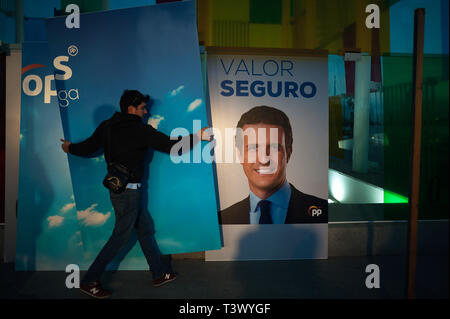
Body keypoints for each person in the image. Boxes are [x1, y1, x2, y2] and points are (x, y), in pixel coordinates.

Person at [61, 89, 210, 298]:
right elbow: (172, 146)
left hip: (119, 190)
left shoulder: (107, 126)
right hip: (129, 193)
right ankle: (89, 280)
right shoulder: (141, 130)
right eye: (142, 107)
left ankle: (159, 274)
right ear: (131, 108)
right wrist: (198, 136)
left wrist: (69, 147)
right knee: (120, 236)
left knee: (144, 229)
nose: (146, 111)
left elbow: (87, 148)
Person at [219, 106, 327, 225]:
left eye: (274, 147)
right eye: (253, 148)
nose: (264, 159)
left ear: (288, 153)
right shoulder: (222, 219)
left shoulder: (324, 213)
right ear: (239, 155)